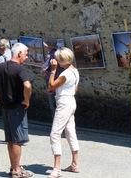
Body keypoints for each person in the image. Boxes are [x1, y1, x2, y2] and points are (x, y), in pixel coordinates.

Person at [0, 43, 33, 178]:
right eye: (26, 54)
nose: (27, 57)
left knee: (11, 139)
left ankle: (14, 167)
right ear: (19, 53)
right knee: (18, 140)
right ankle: (16, 170)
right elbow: (27, 85)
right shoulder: (20, 69)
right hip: (17, 107)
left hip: (5, 107)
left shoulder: (1, 67)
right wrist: (27, 100)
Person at [48, 47, 80, 178]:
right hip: (71, 100)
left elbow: (51, 85)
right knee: (70, 132)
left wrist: (53, 70)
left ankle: (57, 168)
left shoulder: (65, 74)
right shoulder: (75, 71)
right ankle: (75, 163)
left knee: (55, 134)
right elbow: (75, 89)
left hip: (64, 102)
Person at [41, 37, 64, 119]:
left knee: (53, 103)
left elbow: (43, 69)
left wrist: (48, 71)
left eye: (47, 46)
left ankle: (56, 121)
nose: (46, 47)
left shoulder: (50, 56)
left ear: (49, 47)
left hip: (52, 81)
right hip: (60, 81)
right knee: (60, 103)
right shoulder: (60, 55)